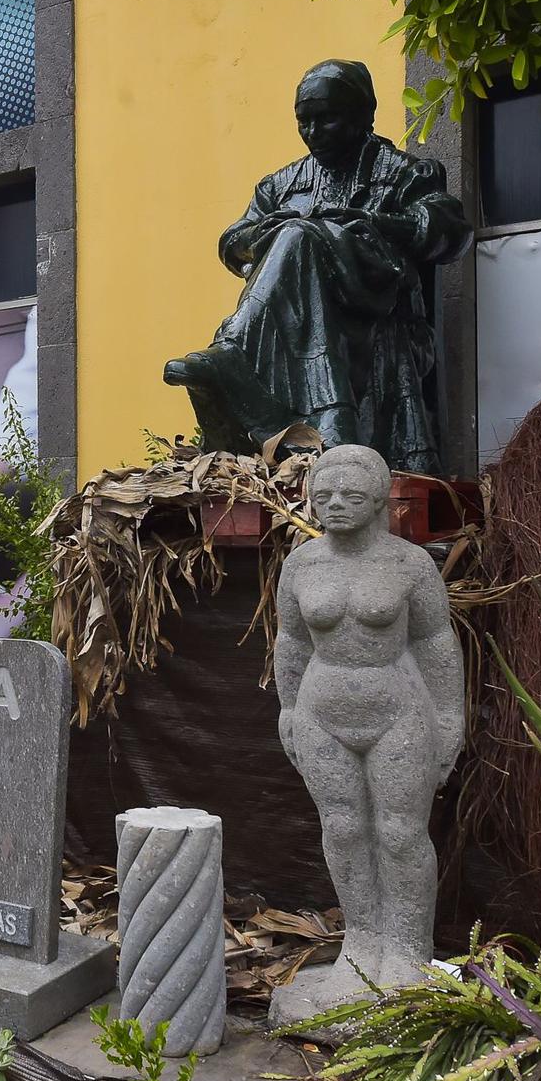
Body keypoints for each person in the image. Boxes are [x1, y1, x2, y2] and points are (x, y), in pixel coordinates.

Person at [164, 59, 470, 473]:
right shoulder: (281, 184)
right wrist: (258, 236)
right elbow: (232, 243)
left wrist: (378, 223)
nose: (312, 132)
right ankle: (322, 413)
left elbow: (448, 231)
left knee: (299, 235)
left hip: (375, 315)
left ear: (364, 113)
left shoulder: (404, 173)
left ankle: (233, 353)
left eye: (326, 119)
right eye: (303, 121)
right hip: (298, 329)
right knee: (294, 235)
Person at [271, 445, 464, 1021]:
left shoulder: (409, 564)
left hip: (398, 709)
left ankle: (407, 951)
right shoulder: (302, 565)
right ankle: (360, 944)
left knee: (402, 832)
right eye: (324, 496)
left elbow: (434, 642)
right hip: (322, 712)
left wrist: (450, 716)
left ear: (379, 501)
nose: (335, 506)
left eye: (351, 496)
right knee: (345, 827)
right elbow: (292, 642)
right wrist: (286, 710)